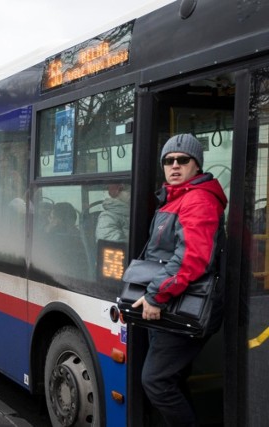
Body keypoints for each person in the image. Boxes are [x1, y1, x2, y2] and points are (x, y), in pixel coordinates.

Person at [132, 134, 227, 427]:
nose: (174, 166)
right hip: (170, 304)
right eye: (168, 160)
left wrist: (154, 296)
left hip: (177, 304)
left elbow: (192, 259)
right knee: (171, 379)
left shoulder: (197, 200)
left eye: (182, 160)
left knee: (156, 381)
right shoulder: (176, 198)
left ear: (196, 165)